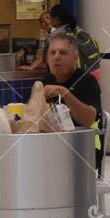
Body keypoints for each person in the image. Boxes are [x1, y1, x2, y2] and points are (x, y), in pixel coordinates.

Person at [41, 30, 104, 168]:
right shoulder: (45, 82)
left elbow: (89, 120)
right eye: (52, 53)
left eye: (63, 53)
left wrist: (64, 93)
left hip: (84, 153)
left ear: (75, 56)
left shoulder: (87, 81)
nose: (57, 57)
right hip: (53, 151)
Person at [48, 2, 101, 77]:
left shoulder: (57, 34)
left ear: (56, 19)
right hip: (93, 71)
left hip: (75, 75)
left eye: (50, 17)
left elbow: (49, 57)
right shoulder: (77, 29)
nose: (49, 20)